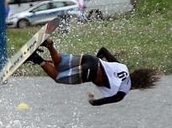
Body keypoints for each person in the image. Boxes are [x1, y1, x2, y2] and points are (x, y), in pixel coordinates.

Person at [27, 38, 160, 105]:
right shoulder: (123, 91)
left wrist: (94, 63)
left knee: (60, 63)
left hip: (91, 59)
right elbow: (97, 103)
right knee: (58, 76)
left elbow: (103, 50)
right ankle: (36, 58)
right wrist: (92, 99)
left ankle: (49, 43)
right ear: (138, 86)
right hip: (91, 72)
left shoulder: (122, 67)